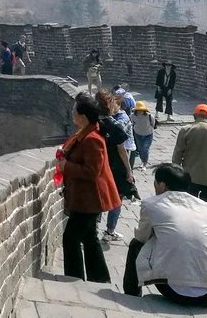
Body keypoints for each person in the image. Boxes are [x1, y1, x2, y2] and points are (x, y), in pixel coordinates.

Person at [123, 163, 207, 306]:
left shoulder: (151, 204)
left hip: (175, 291)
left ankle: (132, 295)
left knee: (136, 245)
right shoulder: (206, 207)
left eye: (155, 182)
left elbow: (142, 237)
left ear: (162, 185)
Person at [58, 92, 120, 282]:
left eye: (74, 111)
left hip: (90, 199)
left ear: (83, 117)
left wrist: (66, 166)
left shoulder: (92, 139)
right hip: (87, 198)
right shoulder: (85, 133)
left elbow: (92, 171)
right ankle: (100, 278)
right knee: (89, 238)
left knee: (71, 238)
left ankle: (74, 278)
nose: (72, 113)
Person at [96, 90, 137, 240]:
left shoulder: (92, 123)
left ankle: (93, 228)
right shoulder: (115, 126)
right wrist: (129, 170)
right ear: (109, 104)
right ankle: (110, 231)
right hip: (114, 167)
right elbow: (121, 150)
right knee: (116, 198)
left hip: (97, 166)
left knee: (98, 196)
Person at [130, 101, 156, 169]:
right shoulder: (132, 116)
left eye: (141, 110)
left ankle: (145, 163)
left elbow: (153, 123)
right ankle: (142, 161)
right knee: (140, 149)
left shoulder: (149, 116)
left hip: (148, 134)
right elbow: (133, 123)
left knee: (145, 149)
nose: (139, 112)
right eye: (138, 110)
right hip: (138, 134)